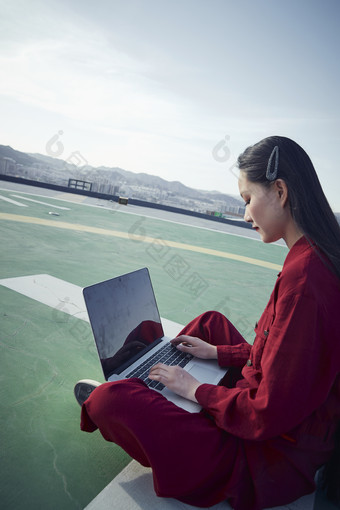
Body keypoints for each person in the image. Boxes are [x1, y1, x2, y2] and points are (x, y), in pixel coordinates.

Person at [75, 136, 340, 510]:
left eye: (248, 200)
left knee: (108, 400)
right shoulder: (311, 258)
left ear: (280, 190)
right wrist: (219, 352)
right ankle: (158, 393)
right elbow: (287, 363)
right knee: (209, 324)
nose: (246, 214)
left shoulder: (306, 281)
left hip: (263, 457)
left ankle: (145, 399)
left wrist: (194, 389)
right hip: (281, 426)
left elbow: (267, 413)